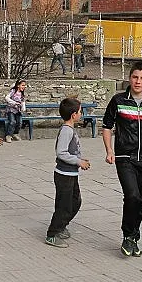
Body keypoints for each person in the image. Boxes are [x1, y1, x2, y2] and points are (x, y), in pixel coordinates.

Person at [102, 61, 142, 257]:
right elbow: (107, 125)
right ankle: (128, 235)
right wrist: (109, 150)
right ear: (129, 78)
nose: (138, 81)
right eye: (135, 77)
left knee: (141, 200)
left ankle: (134, 237)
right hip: (124, 157)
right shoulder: (118, 100)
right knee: (132, 195)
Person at [45, 97, 90, 248]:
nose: (81, 114)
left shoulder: (70, 130)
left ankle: (61, 226)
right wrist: (78, 162)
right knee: (64, 205)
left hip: (71, 174)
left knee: (75, 201)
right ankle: (52, 234)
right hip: (64, 175)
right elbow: (61, 153)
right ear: (73, 115)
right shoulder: (66, 131)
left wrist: (80, 159)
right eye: (80, 111)